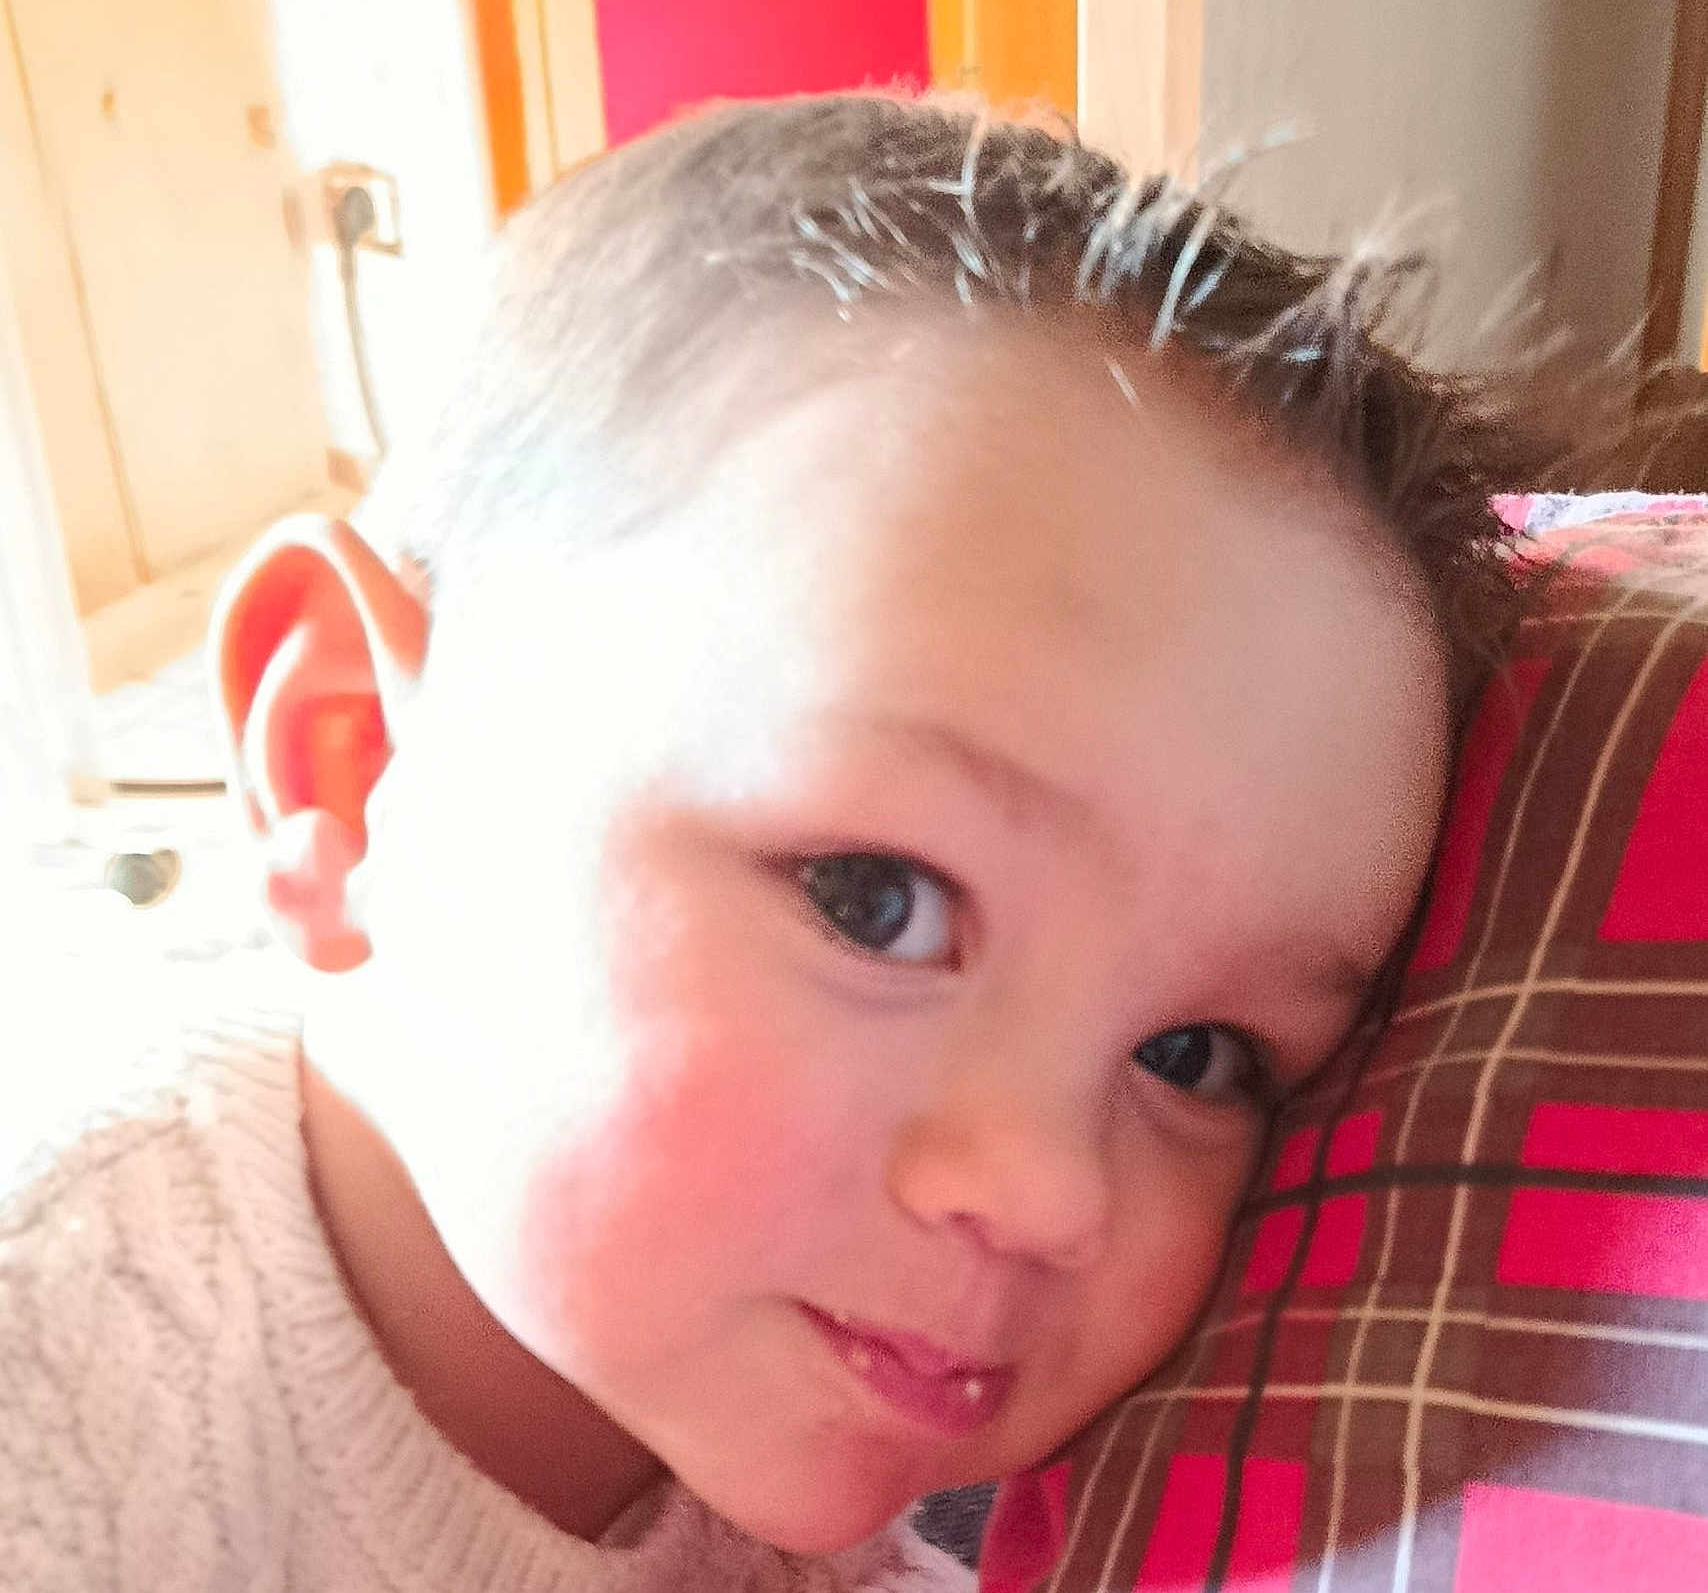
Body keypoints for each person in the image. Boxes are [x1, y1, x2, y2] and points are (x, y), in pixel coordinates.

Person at [0, 92, 1539, 1591]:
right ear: (354, 764)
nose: (1049, 1191)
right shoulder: (60, 1378)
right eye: (878, 904)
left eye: (1197, 1057)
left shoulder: (758, 1455)